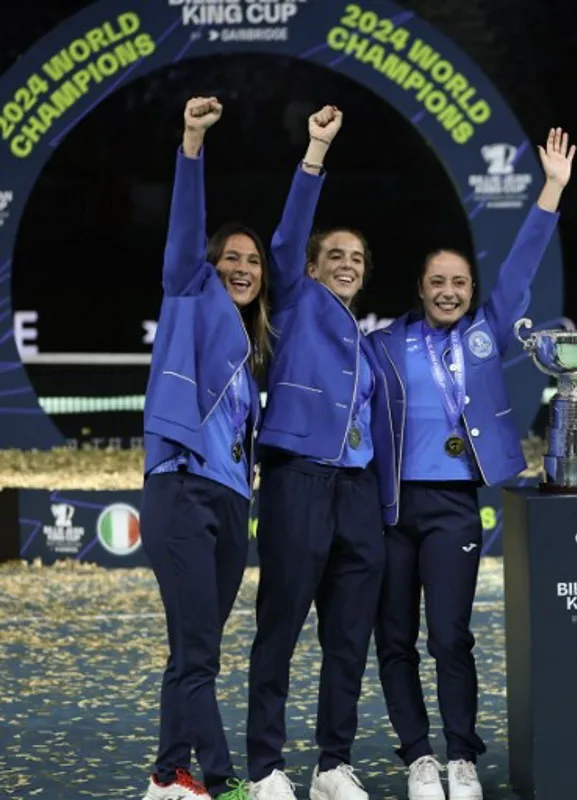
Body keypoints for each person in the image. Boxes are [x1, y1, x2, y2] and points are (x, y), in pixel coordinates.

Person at [368, 127, 575, 800]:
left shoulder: (486, 334)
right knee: (394, 638)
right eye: (438, 282)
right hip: (391, 503)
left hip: (454, 502)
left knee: (449, 636)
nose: (449, 291)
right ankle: (419, 756)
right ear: (421, 288)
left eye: (459, 282)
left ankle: (461, 756)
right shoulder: (386, 343)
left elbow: (520, 267)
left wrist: (550, 189)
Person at [245, 106, 396, 800]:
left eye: (355, 260)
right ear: (310, 266)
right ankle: (263, 765)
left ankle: (332, 762)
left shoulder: (365, 346)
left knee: (348, 635)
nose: (344, 264)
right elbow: (284, 236)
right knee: (279, 629)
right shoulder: (299, 301)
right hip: (298, 481)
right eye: (333, 254)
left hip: (356, 492)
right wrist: (315, 151)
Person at [139, 97, 273, 800]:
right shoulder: (190, 295)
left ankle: (169, 777)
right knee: (198, 653)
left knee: (194, 651)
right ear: (210, 263)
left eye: (252, 261)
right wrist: (192, 141)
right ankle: (222, 783)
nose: (242, 267)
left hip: (230, 502)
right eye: (231, 257)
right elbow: (186, 230)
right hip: (182, 489)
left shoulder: (254, 354)